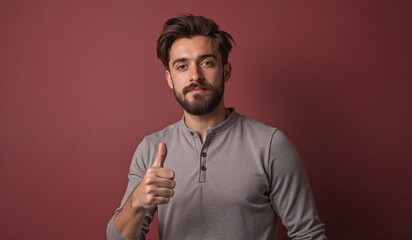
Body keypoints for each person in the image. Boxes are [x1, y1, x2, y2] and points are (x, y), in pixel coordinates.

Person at [107, 14, 327, 240]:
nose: (195, 76)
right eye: (182, 66)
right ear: (170, 79)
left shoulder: (270, 144)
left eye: (206, 63)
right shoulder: (150, 149)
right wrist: (137, 202)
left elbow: (308, 235)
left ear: (226, 71)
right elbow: (116, 238)